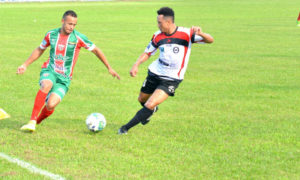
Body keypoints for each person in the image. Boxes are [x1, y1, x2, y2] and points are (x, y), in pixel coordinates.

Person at [17, 10, 120, 132]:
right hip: (50, 70)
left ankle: (36, 122)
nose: (71, 27)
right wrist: (25, 64)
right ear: (62, 21)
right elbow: (40, 49)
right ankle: (32, 121)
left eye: (74, 25)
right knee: (46, 84)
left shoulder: (78, 38)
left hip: (64, 79)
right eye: (69, 23)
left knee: (51, 105)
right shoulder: (51, 35)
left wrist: (109, 67)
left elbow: (96, 50)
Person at [118, 7, 213, 134]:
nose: (158, 25)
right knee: (142, 99)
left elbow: (210, 40)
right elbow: (148, 52)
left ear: (168, 22)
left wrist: (201, 33)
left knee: (149, 104)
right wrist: (136, 64)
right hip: (155, 72)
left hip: (171, 79)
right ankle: (151, 110)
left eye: (159, 22)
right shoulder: (157, 36)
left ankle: (125, 128)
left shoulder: (187, 34)